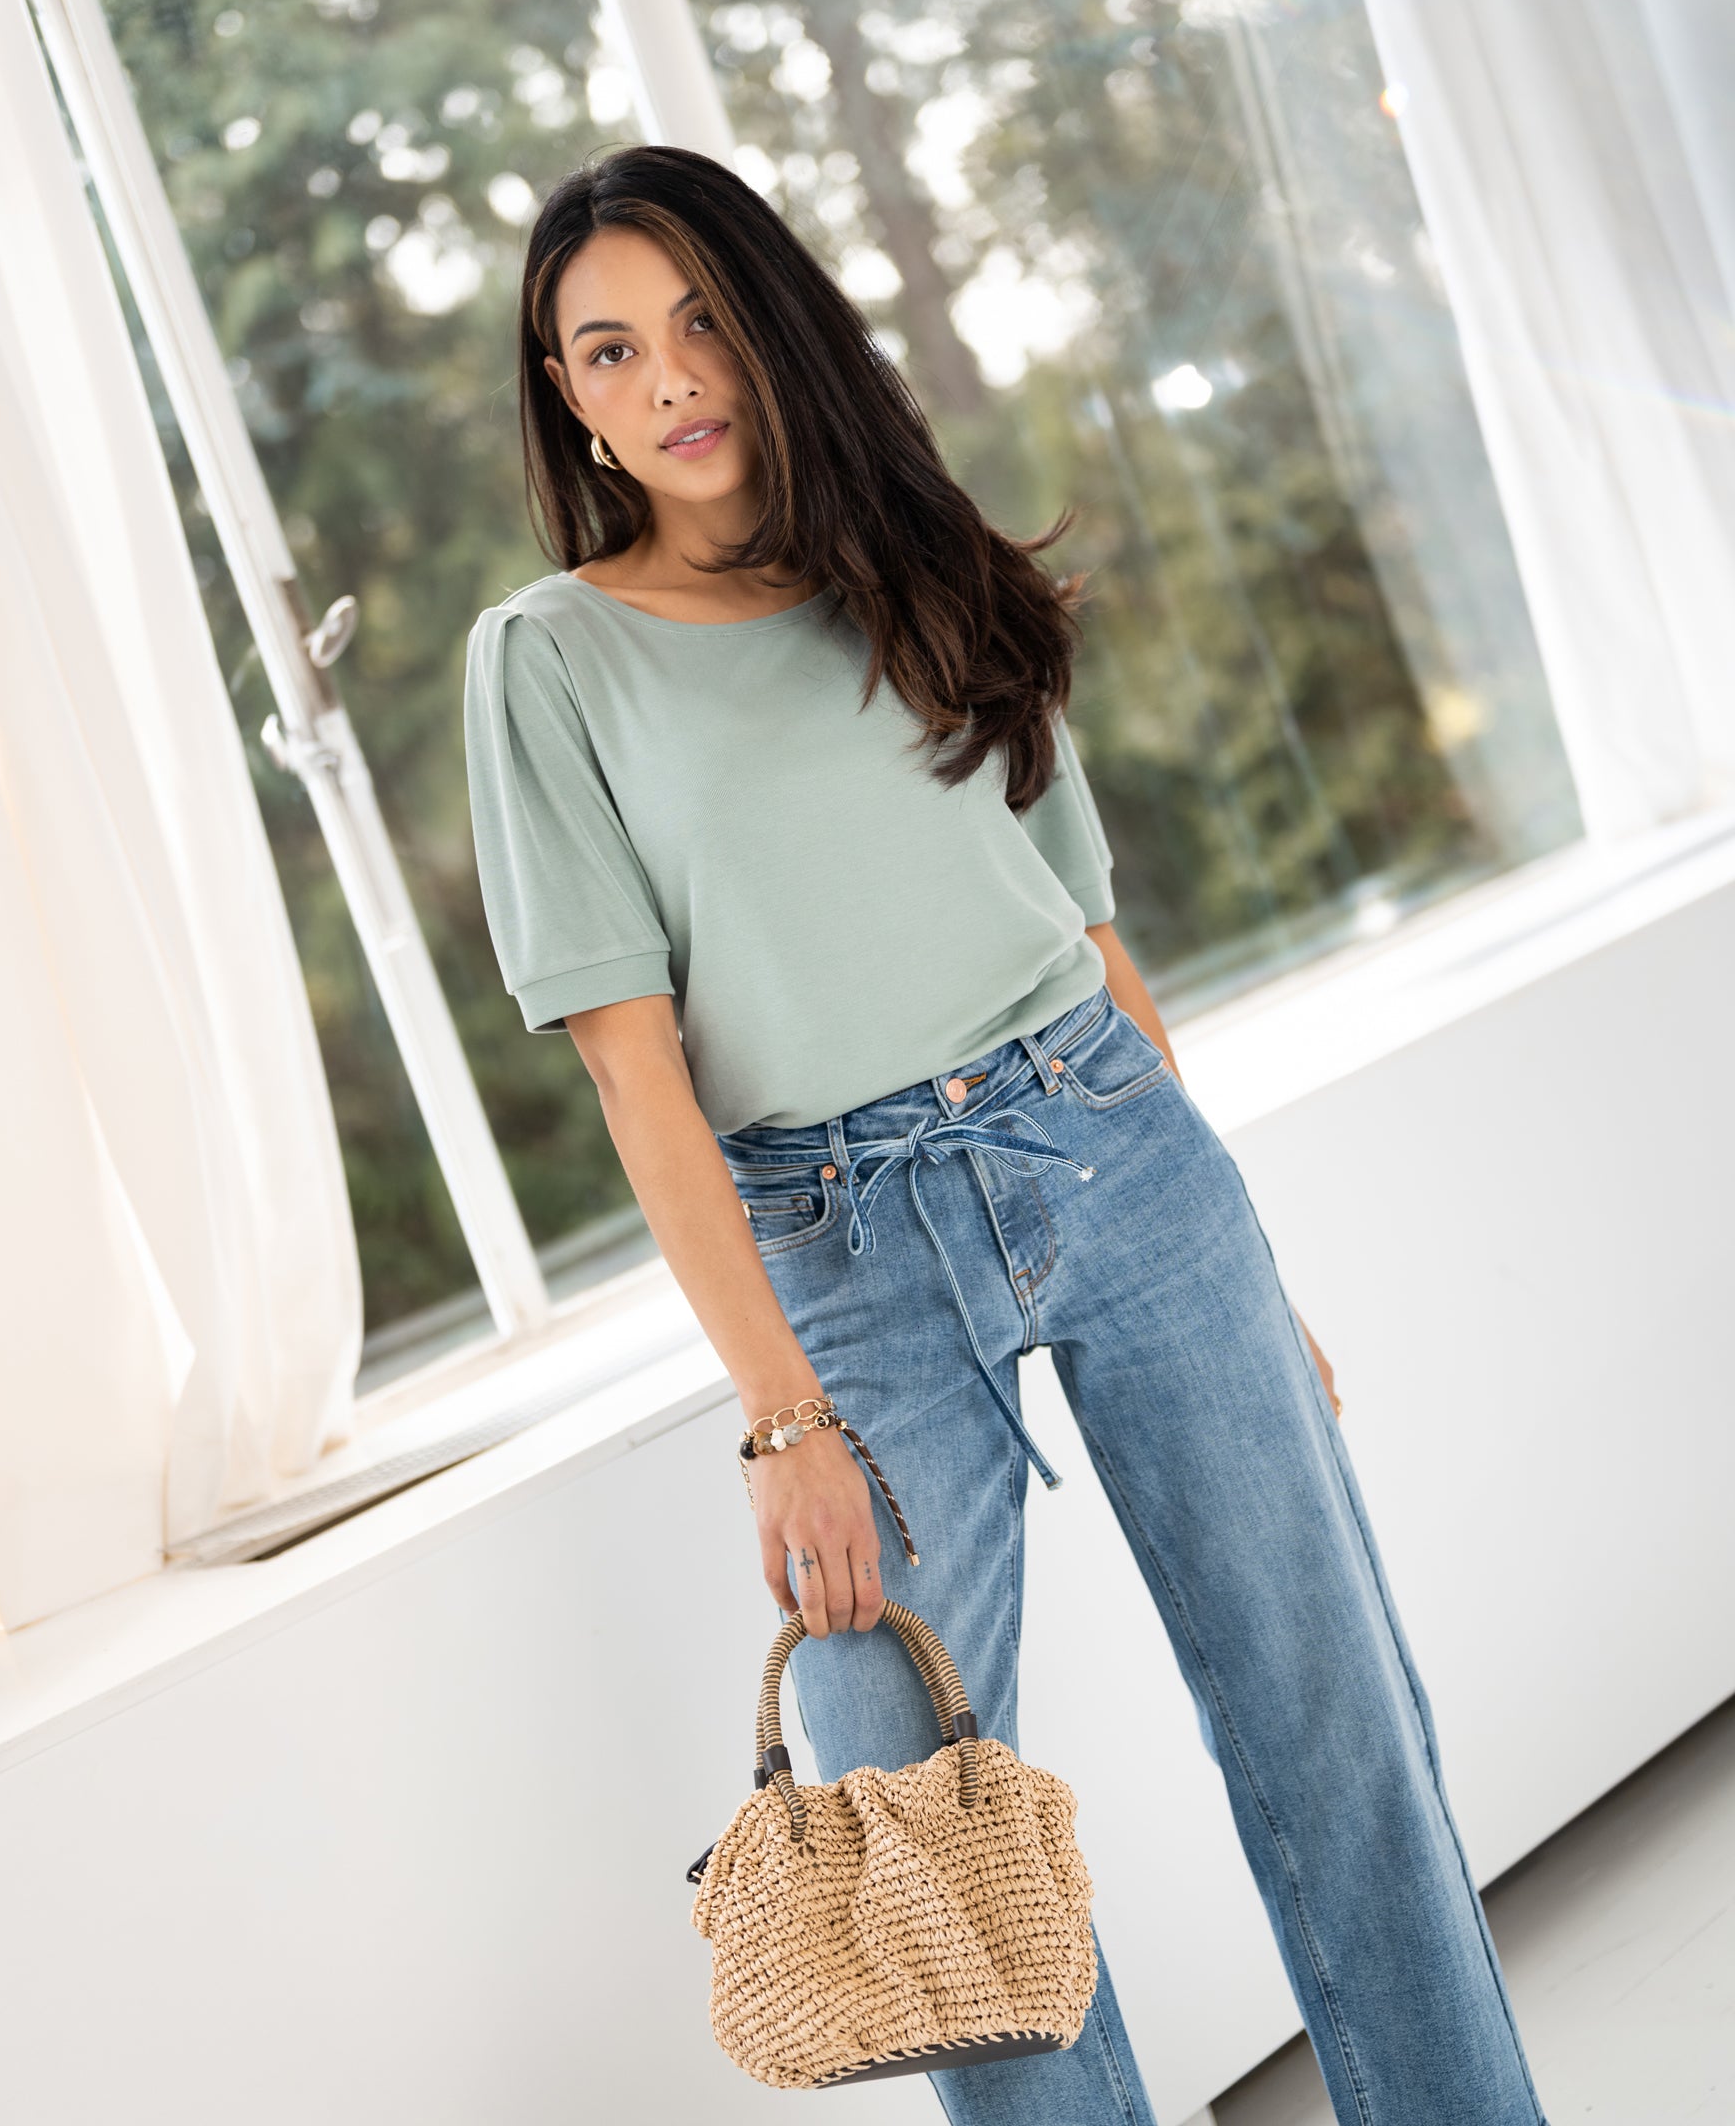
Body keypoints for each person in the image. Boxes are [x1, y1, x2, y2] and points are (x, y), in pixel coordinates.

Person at [463, 143, 1548, 2126]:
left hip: (1111, 1146)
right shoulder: (552, 658)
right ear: (569, 397)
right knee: (923, 1831)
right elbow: (635, 1066)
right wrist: (782, 1417)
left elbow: (1089, 932)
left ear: (774, 321)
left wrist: (1252, 1273)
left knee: (1339, 1732)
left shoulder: (912, 557)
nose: (668, 377)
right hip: (843, 1244)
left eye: (701, 318)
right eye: (605, 351)